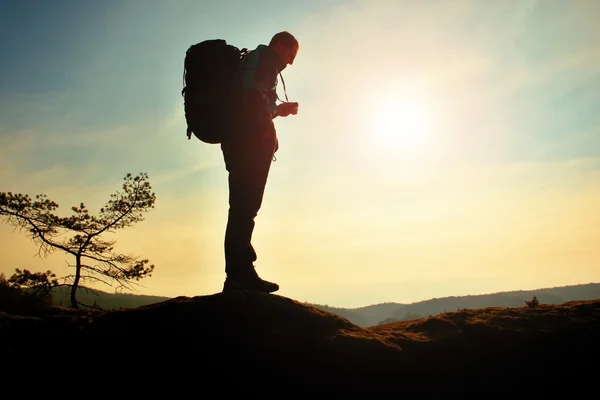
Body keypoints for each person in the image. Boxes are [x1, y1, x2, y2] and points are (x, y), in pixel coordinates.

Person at [221, 31, 300, 293]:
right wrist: (267, 136)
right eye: (290, 55)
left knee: (241, 208)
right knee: (246, 208)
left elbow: (255, 100)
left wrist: (278, 110)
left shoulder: (253, 63)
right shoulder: (264, 60)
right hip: (250, 144)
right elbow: (253, 99)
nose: (290, 62)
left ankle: (238, 272)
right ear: (278, 44)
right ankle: (240, 275)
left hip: (236, 142)